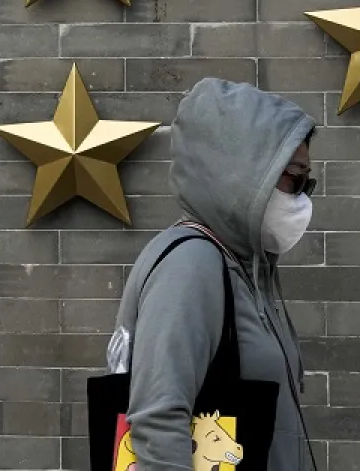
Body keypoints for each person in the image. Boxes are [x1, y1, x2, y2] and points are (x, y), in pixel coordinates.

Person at [109, 77, 317, 471]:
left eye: (308, 182)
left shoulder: (242, 266)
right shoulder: (192, 265)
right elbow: (157, 420)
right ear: (241, 171)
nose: (303, 195)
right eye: (295, 177)